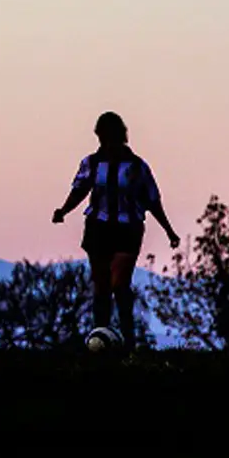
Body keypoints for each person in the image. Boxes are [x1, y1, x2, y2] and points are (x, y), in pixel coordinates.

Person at [52, 111, 182, 339]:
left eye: (110, 138)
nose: (106, 143)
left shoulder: (137, 167)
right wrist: (63, 210)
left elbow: (152, 199)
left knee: (120, 283)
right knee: (101, 286)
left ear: (121, 137)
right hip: (98, 228)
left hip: (128, 229)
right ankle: (99, 338)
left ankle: (127, 338)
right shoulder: (91, 163)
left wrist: (169, 230)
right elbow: (80, 190)